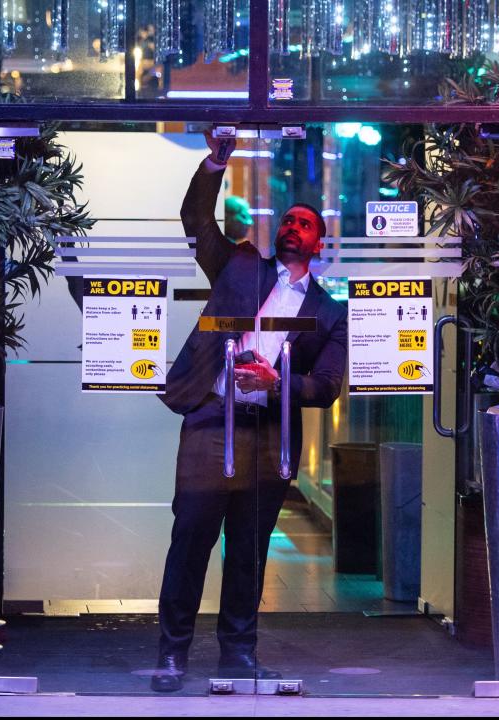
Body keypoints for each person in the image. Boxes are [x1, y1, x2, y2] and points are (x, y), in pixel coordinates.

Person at [151, 132, 348, 692]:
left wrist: (276, 380)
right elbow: (196, 220)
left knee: (247, 554)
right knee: (190, 541)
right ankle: (171, 655)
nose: (292, 227)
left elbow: (327, 387)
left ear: (319, 244)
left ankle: (237, 656)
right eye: (287, 220)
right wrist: (217, 160)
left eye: (305, 224)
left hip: (268, 434)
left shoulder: (330, 313)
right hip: (213, 421)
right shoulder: (239, 268)